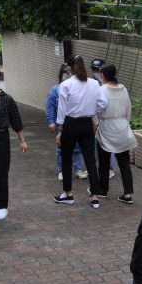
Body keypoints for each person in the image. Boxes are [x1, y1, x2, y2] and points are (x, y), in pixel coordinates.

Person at [54, 55, 107, 209]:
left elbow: (62, 110)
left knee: (66, 158)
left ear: (69, 68)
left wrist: (60, 130)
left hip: (70, 124)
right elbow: (103, 103)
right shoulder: (94, 83)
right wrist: (94, 113)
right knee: (90, 159)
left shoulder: (65, 84)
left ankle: (68, 194)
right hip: (87, 123)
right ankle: (95, 196)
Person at [94, 63, 138, 204]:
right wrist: (125, 123)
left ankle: (103, 189)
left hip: (107, 125)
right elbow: (128, 108)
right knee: (124, 162)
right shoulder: (123, 89)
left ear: (103, 75)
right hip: (122, 126)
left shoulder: (102, 90)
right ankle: (128, 194)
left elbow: (97, 109)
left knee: (104, 160)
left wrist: (95, 122)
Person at [0, 63, 27, 220]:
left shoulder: (6, 99)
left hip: (1, 138)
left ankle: (2, 206)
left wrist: (22, 141)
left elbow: (16, 120)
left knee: (0, 173)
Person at [46, 63, 86, 182]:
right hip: (61, 123)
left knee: (77, 148)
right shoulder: (55, 89)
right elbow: (50, 107)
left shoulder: (78, 88)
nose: (68, 76)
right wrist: (51, 122)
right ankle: (62, 171)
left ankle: (78, 169)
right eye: (66, 73)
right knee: (61, 148)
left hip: (76, 122)